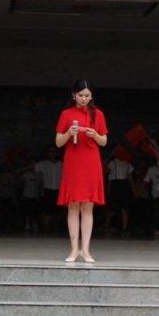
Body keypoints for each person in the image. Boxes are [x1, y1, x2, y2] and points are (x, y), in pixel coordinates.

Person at [56, 84, 107, 265]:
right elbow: (58, 143)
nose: (84, 98)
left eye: (87, 95)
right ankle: (73, 249)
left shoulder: (98, 114)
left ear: (91, 96)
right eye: (80, 95)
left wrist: (94, 135)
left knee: (88, 206)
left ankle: (85, 250)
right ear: (73, 95)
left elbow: (104, 141)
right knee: (72, 205)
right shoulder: (66, 114)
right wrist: (69, 133)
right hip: (73, 161)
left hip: (91, 162)